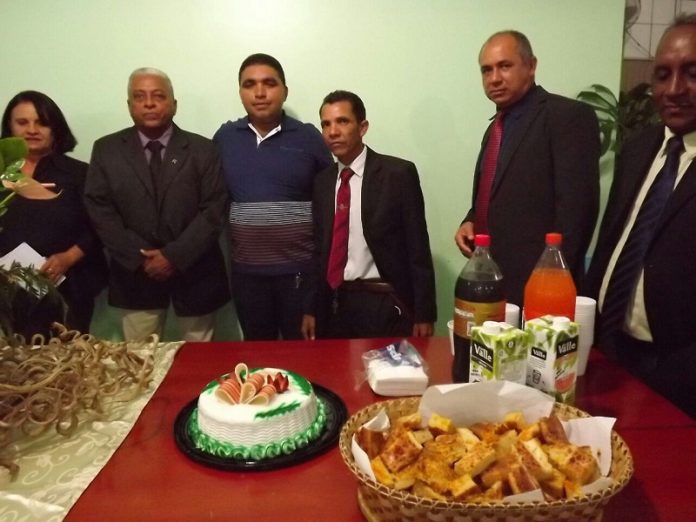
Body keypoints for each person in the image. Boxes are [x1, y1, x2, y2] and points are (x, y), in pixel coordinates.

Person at [586, 14, 696, 418]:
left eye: (692, 73)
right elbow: (611, 245)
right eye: (663, 75)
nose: (674, 89)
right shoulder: (638, 148)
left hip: (679, 378)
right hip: (611, 353)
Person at [454, 30, 600, 307]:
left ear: (531, 66)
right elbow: (496, 193)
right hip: (491, 281)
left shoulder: (566, 117)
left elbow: (577, 214)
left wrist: (549, 286)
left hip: (541, 289)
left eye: (505, 66)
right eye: (486, 70)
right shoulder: (495, 129)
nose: (494, 78)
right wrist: (470, 220)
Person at [84, 68, 229, 342]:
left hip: (196, 272)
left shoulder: (203, 149)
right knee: (140, 360)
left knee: (199, 358)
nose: (149, 103)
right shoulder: (107, 149)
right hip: (135, 276)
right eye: (140, 97)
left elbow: (214, 210)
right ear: (129, 105)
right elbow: (100, 210)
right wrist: (141, 258)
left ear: (174, 104)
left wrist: (173, 256)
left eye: (158, 96)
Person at [213, 53, 332, 341]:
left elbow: (329, 203)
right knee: (257, 352)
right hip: (247, 274)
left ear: (285, 90)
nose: (260, 92)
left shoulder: (309, 138)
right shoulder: (225, 138)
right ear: (240, 92)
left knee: (303, 354)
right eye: (249, 84)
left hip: (300, 273)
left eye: (269, 83)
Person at [302, 90, 436, 339]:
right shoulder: (322, 182)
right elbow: (319, 251)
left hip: (384, 301)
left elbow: (417, 247)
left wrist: (424, 313)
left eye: (342, 121)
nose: (333, 131)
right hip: (335, 305)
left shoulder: (397, 174)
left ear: (362, 127)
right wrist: (311, 308)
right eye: (326, 124)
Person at [0, 90, 108, 336]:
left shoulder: (79, 173)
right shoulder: (3, 173)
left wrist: (68, 257)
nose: (32, 130)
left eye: (41, 122)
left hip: (69, 287)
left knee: (66, 356)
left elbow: (100, 225)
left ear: (55, 128)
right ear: (9, 128)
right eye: (22, 122)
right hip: (7, 294)